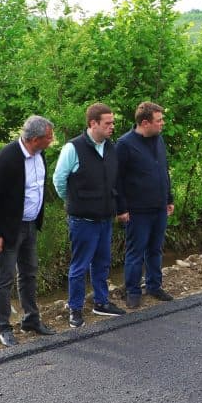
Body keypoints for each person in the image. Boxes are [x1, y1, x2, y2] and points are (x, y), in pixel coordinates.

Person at [0, 115, 57, 347]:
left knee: (29, 273)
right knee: (4, 278)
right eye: (49, 138)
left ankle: (31, 320)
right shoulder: (6, 159)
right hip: (8, 229)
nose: (51, 142)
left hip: (30, 224)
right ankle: (3, 327)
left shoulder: (39, 154)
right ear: (35, 139)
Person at [53, 103, 127, 328]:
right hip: (82, 220)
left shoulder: (110, 148)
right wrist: (74, 201)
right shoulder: (73, 148)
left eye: (112, 123)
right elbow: (59, 179)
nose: (112, 127)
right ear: (93, 123)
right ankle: (75, 309)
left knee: (102, 263)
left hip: (105, 217)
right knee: (79, 266)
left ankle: (101, 302)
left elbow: (116, 181)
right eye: (108, 123)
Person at [115, 102, 176, 308]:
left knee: (155, 249)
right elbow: (117, 180)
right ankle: (132, 291)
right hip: (137, 210)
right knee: (135, 251)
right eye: (159, 120)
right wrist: (121, 209)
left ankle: (154, 285)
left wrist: (169, 198)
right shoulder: (124, 144)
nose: (162, 124)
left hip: (159, 207)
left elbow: (164, 170)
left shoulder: (158, 140)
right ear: (145, 122)